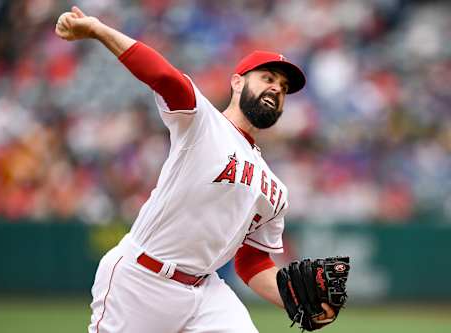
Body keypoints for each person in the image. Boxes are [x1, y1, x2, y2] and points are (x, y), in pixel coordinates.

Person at [55, 6, 336, 333]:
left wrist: (299, 299)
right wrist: (99, 31)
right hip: (141, 279)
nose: (276, 88)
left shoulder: (275, 190)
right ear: (236, 82)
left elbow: (253, 263)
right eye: (268, 78)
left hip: (205, 291)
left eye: (284, 87)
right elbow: (165, 78)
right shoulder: (202, 122)